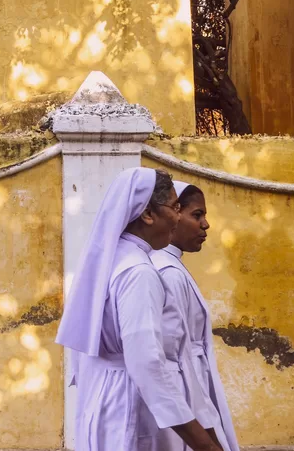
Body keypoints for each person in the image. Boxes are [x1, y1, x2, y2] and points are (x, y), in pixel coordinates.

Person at [56, 167, 221, 451]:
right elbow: (146, 363)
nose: (177, 217)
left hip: (105, 395)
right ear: (148, 214)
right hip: (133, 404)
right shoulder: (139, 272)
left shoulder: (113, 258)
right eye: (174, 207)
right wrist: (204, 443)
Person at [151, 181, 240, 451]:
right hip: (186, 395)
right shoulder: (168, 273)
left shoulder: (170, 266)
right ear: (174, 215)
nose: (206, 225)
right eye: (197, 215)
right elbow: (175, 358)